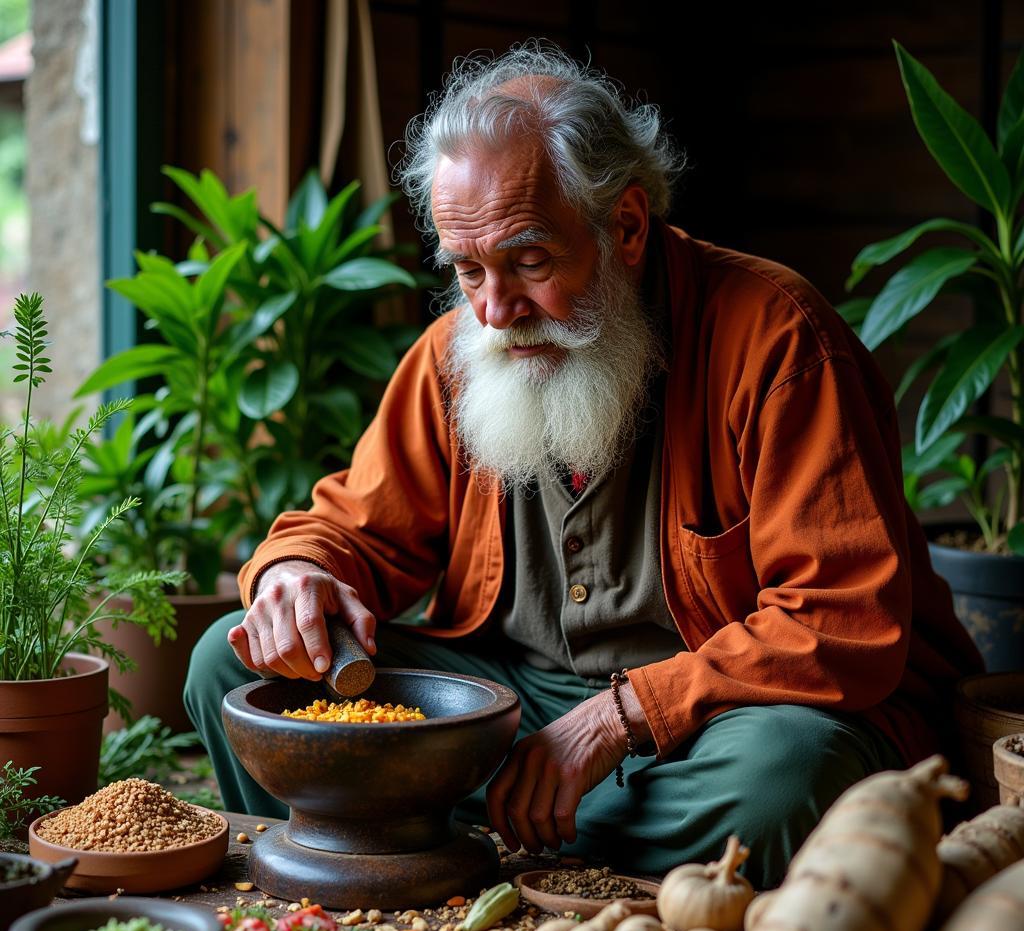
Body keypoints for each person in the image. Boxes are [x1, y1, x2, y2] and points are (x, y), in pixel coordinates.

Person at [184, 42, 983, 888]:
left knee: (781, 783)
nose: (495, 310)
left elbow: (839, 623)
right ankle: (491, 838)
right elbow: (351, 528)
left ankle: (432, 830)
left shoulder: (779, 341)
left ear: (626, 226)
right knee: (229, 668)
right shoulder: (458, 351)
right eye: (468, 271)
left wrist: (621, 719)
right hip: (516, 711)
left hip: (722, 724)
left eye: (530, 261)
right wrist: (298, 576)